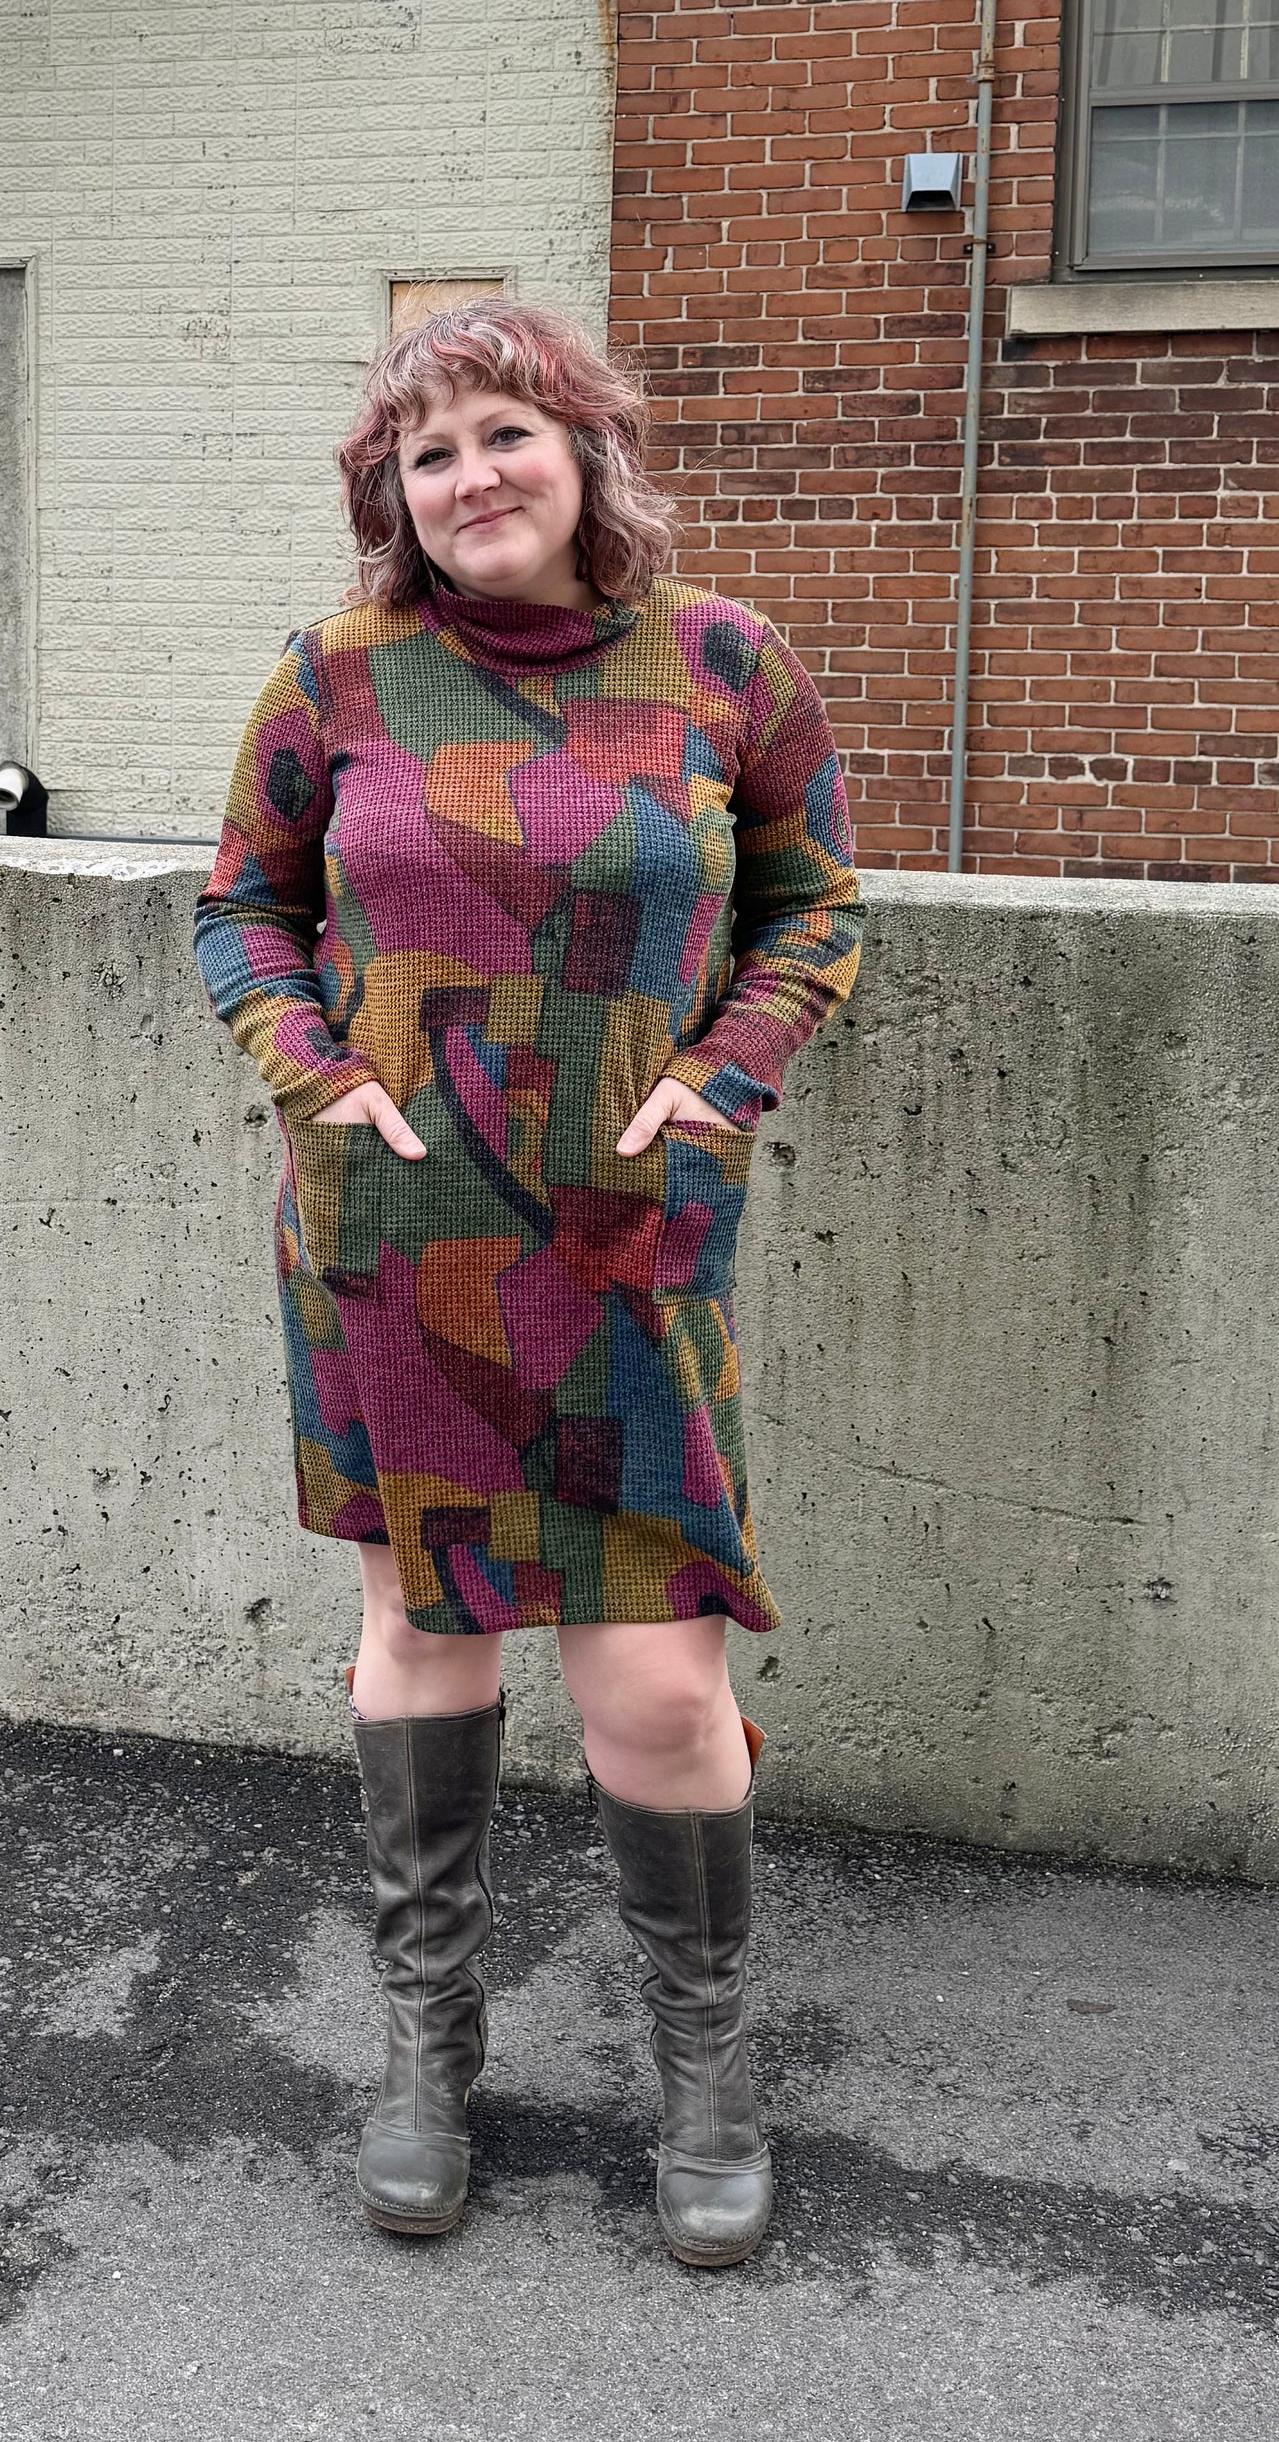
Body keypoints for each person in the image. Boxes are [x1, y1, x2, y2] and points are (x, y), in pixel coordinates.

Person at [193, 298, 863, 2267]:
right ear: (391, 495)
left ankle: (707, 2052)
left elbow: (814, 900)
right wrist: (311, 1077)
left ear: (581, 450)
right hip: (397, 1237)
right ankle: (426, 2041)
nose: (471, 474)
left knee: (656, 1680)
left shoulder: (725, 663)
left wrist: (723, 1078)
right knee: (421, 1632)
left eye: (504, 432)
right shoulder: (337, 674)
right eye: (430, 452)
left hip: (625, 1233)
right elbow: (245, 899)